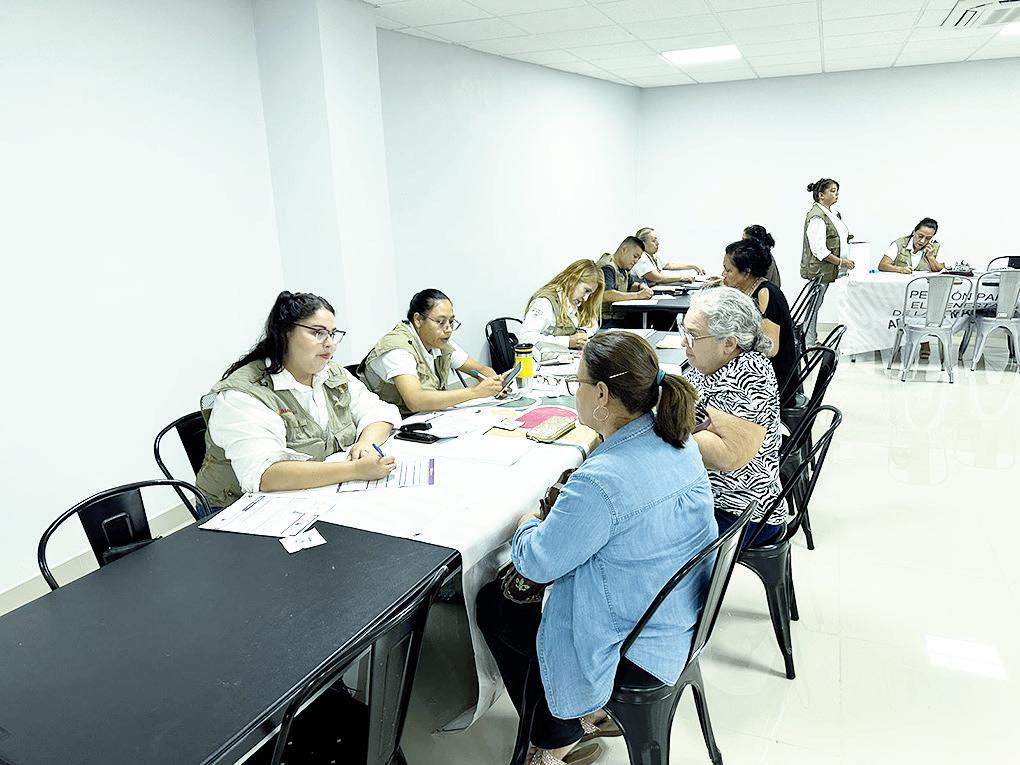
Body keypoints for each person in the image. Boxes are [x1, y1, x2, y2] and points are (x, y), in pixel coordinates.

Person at [476, 332, 716, 765]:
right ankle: (569, 719)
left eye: (578, 382)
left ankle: (555, 736)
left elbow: (538, 562)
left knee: (496, 604)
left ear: (602, 394)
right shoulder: (678, 442)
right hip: (678, 613)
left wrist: (528, 523)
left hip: (636, 640)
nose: (575, 392)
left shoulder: (602, 479)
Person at [198, 291, 400, 509]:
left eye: (333, 334)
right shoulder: (243, 394)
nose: (330, 344)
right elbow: (265, 474)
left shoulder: (329, 372)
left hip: (313, 494)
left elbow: (379, 413)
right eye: (318, 333)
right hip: (241, 508)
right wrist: (355, 470)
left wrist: (366, 444)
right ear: (285, 333)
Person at [681, 287, 783, 547]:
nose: (684, 343)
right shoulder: (710, 364)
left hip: (739, 512)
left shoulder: (750, 374)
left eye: (693, 336)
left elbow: (726, 456)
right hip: (712, 497)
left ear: (729, 343)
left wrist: (666, 417)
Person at [359, 289, 507, 415]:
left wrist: (496, 384)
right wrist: (475, 393)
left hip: (427, 416)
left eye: (451, 322)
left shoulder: (438, 341)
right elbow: (415, 401)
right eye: (441, 322)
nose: (448, 329)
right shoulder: (398, 349)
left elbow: (480, 369)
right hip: (396, 424)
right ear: (418, 320)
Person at [721, 239, 798, 406]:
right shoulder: (749, 290)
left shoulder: (766, 294)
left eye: (728, 270)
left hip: (774, 383)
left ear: (746, 273)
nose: (723, 274)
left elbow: (770, 349)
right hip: (759, 372)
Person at [800, 177, 855, 348]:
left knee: (816, 305)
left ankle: (809, 339)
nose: (836, 194)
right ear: (821, 195)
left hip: (829, 270)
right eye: (832, 191)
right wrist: (841, 262)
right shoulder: (817, 217)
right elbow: (819, 250)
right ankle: (808, 343)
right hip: (820, 271)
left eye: (837, 191)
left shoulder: (832, 214)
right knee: (813, 306)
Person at [521, 259, 604, 350]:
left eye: (590, 294)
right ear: (573, 280)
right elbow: (526, 338)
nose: (586, 298)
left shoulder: (575, 301)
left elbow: (593, 324)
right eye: (586, 290)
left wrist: (582, 333)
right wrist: (567, 341)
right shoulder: (544, 303)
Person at [597, 236, 654, 328]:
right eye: (635, 256)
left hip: (618, 315)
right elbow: (607, 295)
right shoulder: (607, 267)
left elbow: (631, 285)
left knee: (653, 316)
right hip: (604, 320)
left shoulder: (622, 268)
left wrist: (641, 287)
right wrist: (638, 295)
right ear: (624, 250)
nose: (636, 261)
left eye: (638, 258)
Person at [631, 227, 706, 285]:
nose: (657, 243)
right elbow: (656, 278)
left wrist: (693, 266)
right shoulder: (640, 258)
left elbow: (669, 265)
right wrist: (681, 278)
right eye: (653, 241)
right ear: (642, 243)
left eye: (657, 240)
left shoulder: (653, 256)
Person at [879, 217, 945, 274]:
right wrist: (900, 269)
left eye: (928, 238)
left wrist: (930, 257)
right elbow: (882, 265)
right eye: (920, 236)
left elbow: (942, 271)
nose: (922, 241)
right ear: (914, 232)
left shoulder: (935, 247)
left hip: (923, 283)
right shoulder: (899, 243)